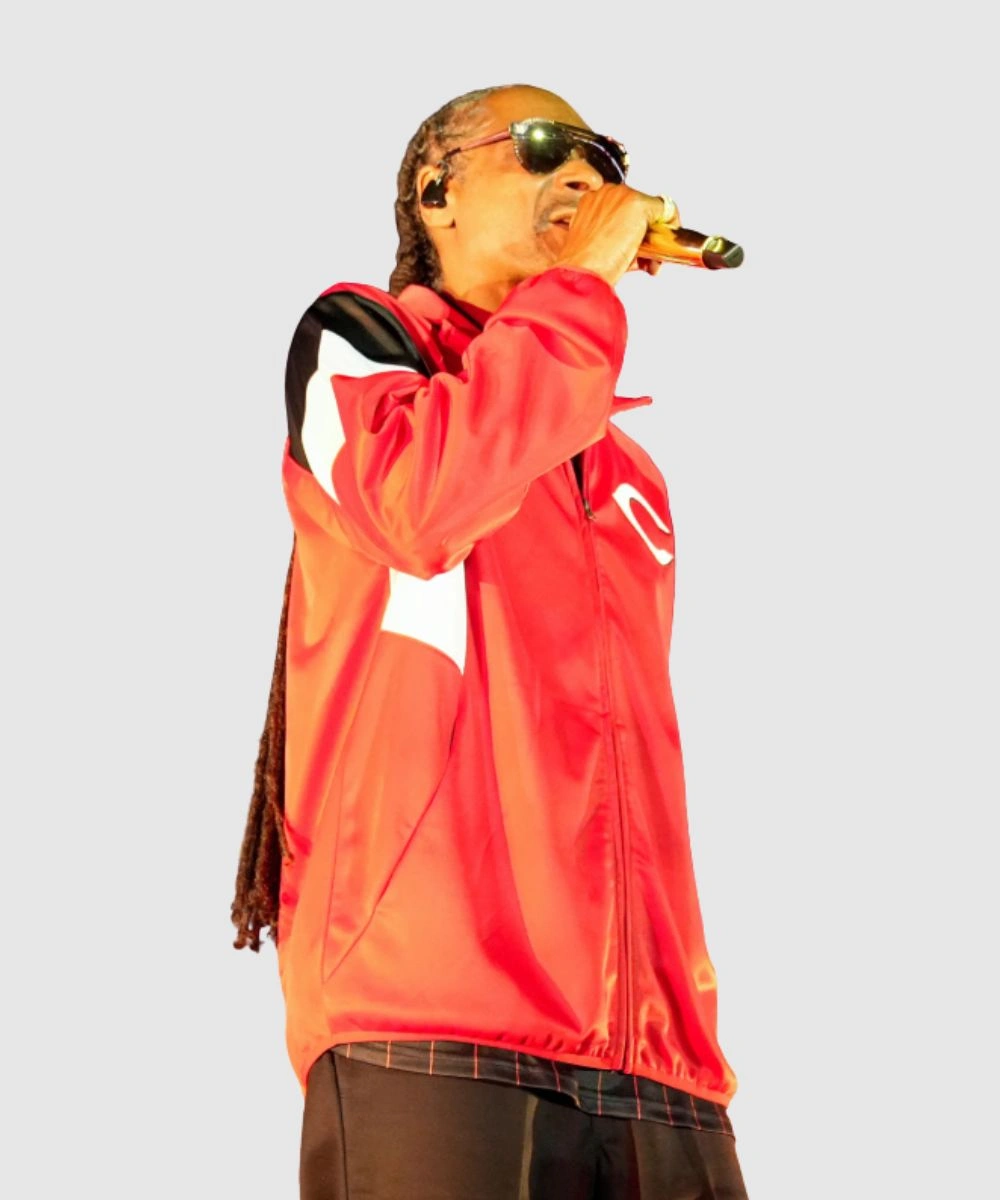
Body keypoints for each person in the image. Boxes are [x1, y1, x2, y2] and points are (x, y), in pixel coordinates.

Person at [232, 82, 750, 1199]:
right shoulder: (360, 344)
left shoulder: (628, 472)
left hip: (658, 1057)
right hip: (431, 1018)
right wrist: (577, 291)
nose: (586, 175)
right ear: (438, 195)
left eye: (604, 158)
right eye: (544, 146)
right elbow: (416, 505)